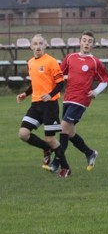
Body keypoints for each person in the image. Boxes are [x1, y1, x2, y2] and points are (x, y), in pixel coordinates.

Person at [49, 30, 108, 173]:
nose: (86, 43)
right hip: (68, 98)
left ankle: (57, 162)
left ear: (93, 45)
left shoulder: (95, 62)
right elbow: (59, 74)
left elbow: (105, 79)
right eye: (84, 40)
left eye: (89, 41)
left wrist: (96, 91)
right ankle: (90, 153)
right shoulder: (70, 57)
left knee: (63, 128)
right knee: (69, 132)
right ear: (80, 42)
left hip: (81, 100)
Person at [16, 34, 71, 178]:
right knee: (23, 134)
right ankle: (46, 149)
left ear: (45, 46)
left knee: (51, 139)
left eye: (41, 43)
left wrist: (50, 95)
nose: (38, 46)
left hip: (50, 106)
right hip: (35, 105)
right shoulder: (30, 63)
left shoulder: (51, 62)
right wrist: (25, 94)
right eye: (35, 43)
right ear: (31, 47)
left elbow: (60, 83)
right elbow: (35, 84)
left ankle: (66, 167)